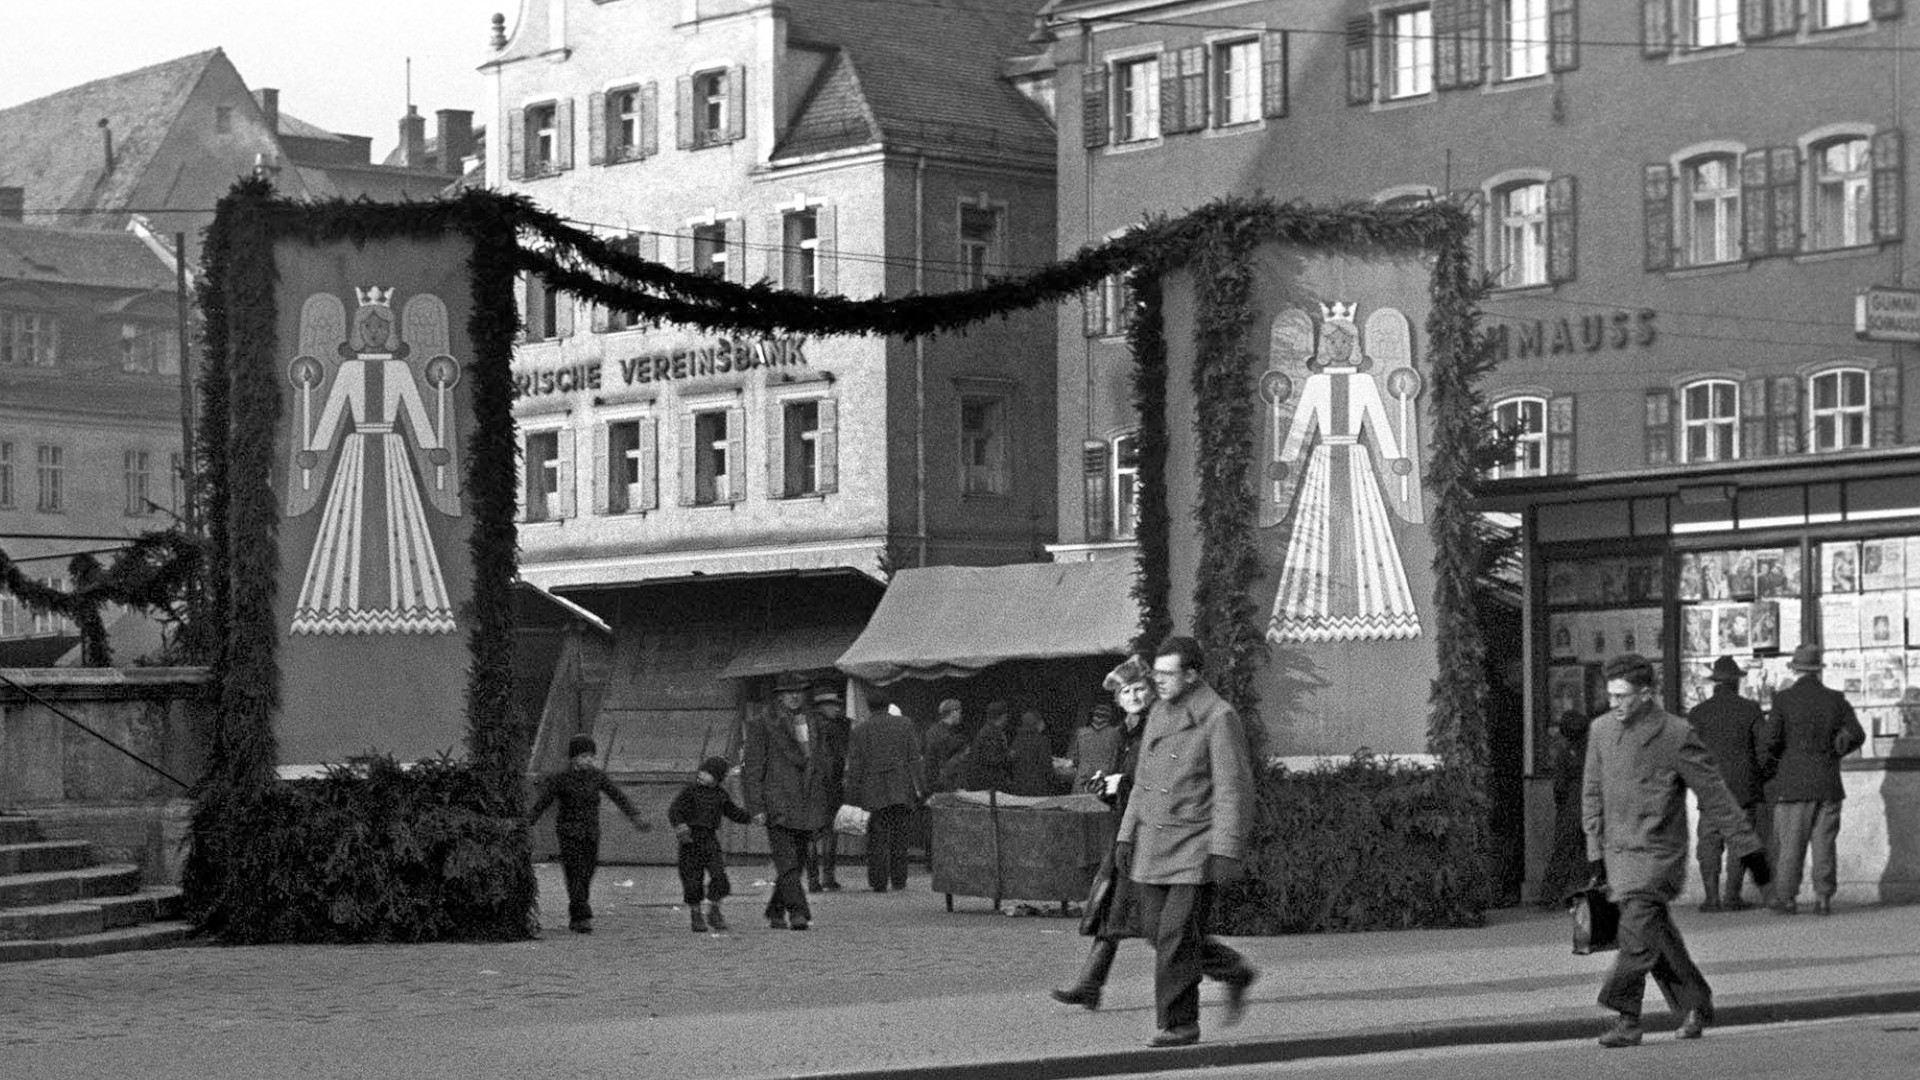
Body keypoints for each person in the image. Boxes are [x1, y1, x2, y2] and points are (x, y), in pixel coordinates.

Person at [1584, 653, 1771, 1048]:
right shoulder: (1600, 730)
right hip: (1618, 854)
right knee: (1657, 937)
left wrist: (1749, 849)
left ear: (1647, 694)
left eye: (1623, 696)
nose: (1614, 703)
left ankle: (1626, 1018)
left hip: (1657, 855)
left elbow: (1715, 795)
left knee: (1635, 936)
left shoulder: (1676, 734)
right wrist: (1593, 850)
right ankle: (1695, 1003)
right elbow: (1592, 792)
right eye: (1611, 696)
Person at [1114, 636, 1258, 1048]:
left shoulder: (1218, 717)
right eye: (1155, 673)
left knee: (1176, 936)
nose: (1157, 681)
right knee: (1154, 932)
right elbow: (1143, 782)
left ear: (1192, 675)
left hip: (1195, 844)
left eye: (1167, 673)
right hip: (1153, 845)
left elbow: (1234, 789)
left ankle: (1180, 1024)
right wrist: (1126, 834)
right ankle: (1233, 969)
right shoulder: (1159, 713)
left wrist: (1225, 848)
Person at [1053, 655, 1154, 1010]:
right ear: (1118, 699)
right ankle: (1090, 984)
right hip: (1124, 829)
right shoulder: (1123, 733)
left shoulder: (1154, 728)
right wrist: (1107, 788)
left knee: (1158, 925)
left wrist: (1121, 782)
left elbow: (1154, 780)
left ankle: (1231, 968)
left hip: (1148, 833)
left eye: (1140, 689)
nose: (1134, 696)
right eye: (1127, 691)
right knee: (1113, 906)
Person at [1759, 644, 1867, 917]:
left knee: (1790, 846)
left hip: (1793, 783)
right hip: (1828, 781)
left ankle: (1788, 899)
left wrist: (1773, 765)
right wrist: (1837, 750)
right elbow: (1858, 734)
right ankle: (1823, 898)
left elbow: (1770, 740)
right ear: (1819, 669)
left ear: (1795, 669)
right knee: (1824, 844)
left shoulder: (1783, 699)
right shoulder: (1835, 699)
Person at [528, 733, 651, 934]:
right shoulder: (561, 779)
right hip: (569, 832)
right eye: (585, 756)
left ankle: (577, 911)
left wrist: (635, 816)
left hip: (591, 832)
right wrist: (528, 822)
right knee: (574, 873)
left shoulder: (597, 776)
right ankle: (582, 916)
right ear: (574, 757)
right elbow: (543, 803)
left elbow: (617, 795)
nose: (589, 760)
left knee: (587, 872)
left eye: (591, 757)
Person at [743, 672, 830, 930]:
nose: (794, 696)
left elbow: (820, 761)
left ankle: (775, 910)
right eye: (789, 692)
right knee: (787, 862)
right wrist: (756, 806)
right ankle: (799, 912)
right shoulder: (763, 724)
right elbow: (753, 768)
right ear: (779, 696)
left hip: (806, 803)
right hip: (777, 803)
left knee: (797, 861)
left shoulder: (813, 722)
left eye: (798, 691)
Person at [1687, 655, 1767, 912]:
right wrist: (1761, 776)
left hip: (1711, 790)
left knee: (1709, 843)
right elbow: (1763, 750)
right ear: (1735, 682)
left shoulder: (1698, 714)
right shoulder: (1751, 709)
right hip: (1743, 788)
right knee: (1739, 843)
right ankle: (1732, 897)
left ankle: (1712, 897)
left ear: (1714, 683)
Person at [844, 694, 925, 893]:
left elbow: (855, 766)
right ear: (889, 705)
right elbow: (915, 758)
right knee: (900, 836)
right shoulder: (905, 724)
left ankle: (878, 881)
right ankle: (899, 880)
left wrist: (851, 796)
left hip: (872, 792)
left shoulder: (859, 731)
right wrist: (922, 788)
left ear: (869, 708)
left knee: (877, 839)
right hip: (900, 788)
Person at [668, 755, 752, 932]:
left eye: (708, 773)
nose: (702, 775)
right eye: (702, 771)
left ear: (717, 778)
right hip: (690, 841)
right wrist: (680, 826)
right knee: (692, 880)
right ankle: (696, 914)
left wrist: (751, 817)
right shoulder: (689, 792)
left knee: (719, 876)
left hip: (709, 840)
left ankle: (714, 909)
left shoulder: (721, 795)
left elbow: (733, 812)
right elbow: (674, 810)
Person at [1537, 706, 1594, 909]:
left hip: (1570, 807)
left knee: (1562, 853)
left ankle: (1550, 896)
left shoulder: (1564, 754)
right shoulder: (1593, 750)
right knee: (1591, 852)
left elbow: (1559, 787)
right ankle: (1589, 894)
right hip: (1592, 805)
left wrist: (1562, 805)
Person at [805, 687, 851, 893]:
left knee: (811, 834)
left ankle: (814, 879)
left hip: (810, 786)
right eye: (833, 706)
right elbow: (834, 760)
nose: (837, 709)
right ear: (823, 707)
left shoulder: (807, 725)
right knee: (829, 833)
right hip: (827, 786)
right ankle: (827, 877)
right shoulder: (831, 728)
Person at [1070, 703, 1126, 790]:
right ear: (1109, 717)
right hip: (1104, 779)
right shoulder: (1115, 734)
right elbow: (1119, 759)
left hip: (1082, 778)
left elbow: (1075, 759)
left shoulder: (1081, 732)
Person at [1007, 707, 1061, 797]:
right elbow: (1046, 767)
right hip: (1038, 789)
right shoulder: (1043, 741)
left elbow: (1010, 762)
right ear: (1037, 723)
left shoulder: (1017, 741)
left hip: (1018, 788)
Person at [961, 705, 1015, 793]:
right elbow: (991, 758)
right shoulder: (991, 733)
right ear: (1002, 716)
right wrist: (1009, 756)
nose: (1007, 718)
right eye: (1006, 715)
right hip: (987, 783)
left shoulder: (988, 731)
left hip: (984, 781)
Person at [922, 698, 969, 795]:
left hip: (931, 785)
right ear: (953, 713)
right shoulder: (947, 736)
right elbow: (943, 764)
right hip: (942, 788)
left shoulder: (932, 731)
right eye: (959, 712)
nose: (960, 716)